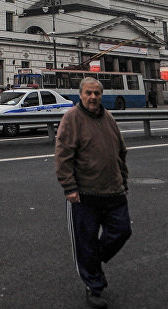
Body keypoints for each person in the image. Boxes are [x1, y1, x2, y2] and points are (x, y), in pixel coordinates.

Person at [54, 77, 131, 309]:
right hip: (85, 193)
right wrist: (69, 186)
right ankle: (94, 287)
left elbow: (121, 151)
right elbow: (63, 155)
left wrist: (123, 179)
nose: (93, 97)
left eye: (96, 93)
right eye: (88, 93)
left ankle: (92, 262)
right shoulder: (72, 118)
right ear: (81, 94)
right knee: (85, 240)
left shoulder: (109, 118)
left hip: (114, 190)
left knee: (122, 231)